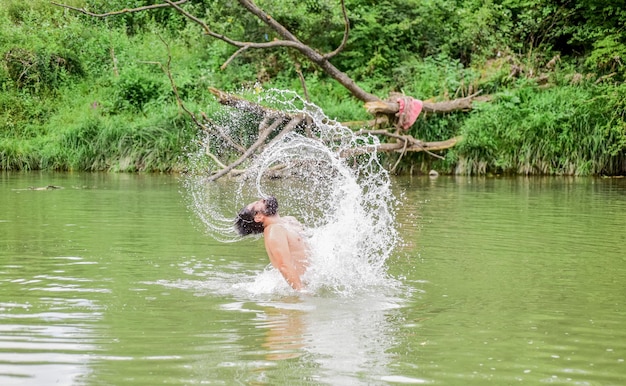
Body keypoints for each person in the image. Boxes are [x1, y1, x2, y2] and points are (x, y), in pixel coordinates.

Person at [234, 196, 309, 291]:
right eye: (257, 203)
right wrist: (302, 292)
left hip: (310, 280)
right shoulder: (273, 230)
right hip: (296, 287)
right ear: (258, 217)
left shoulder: (289, 221)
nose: (262, 199)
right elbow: (284, 266)